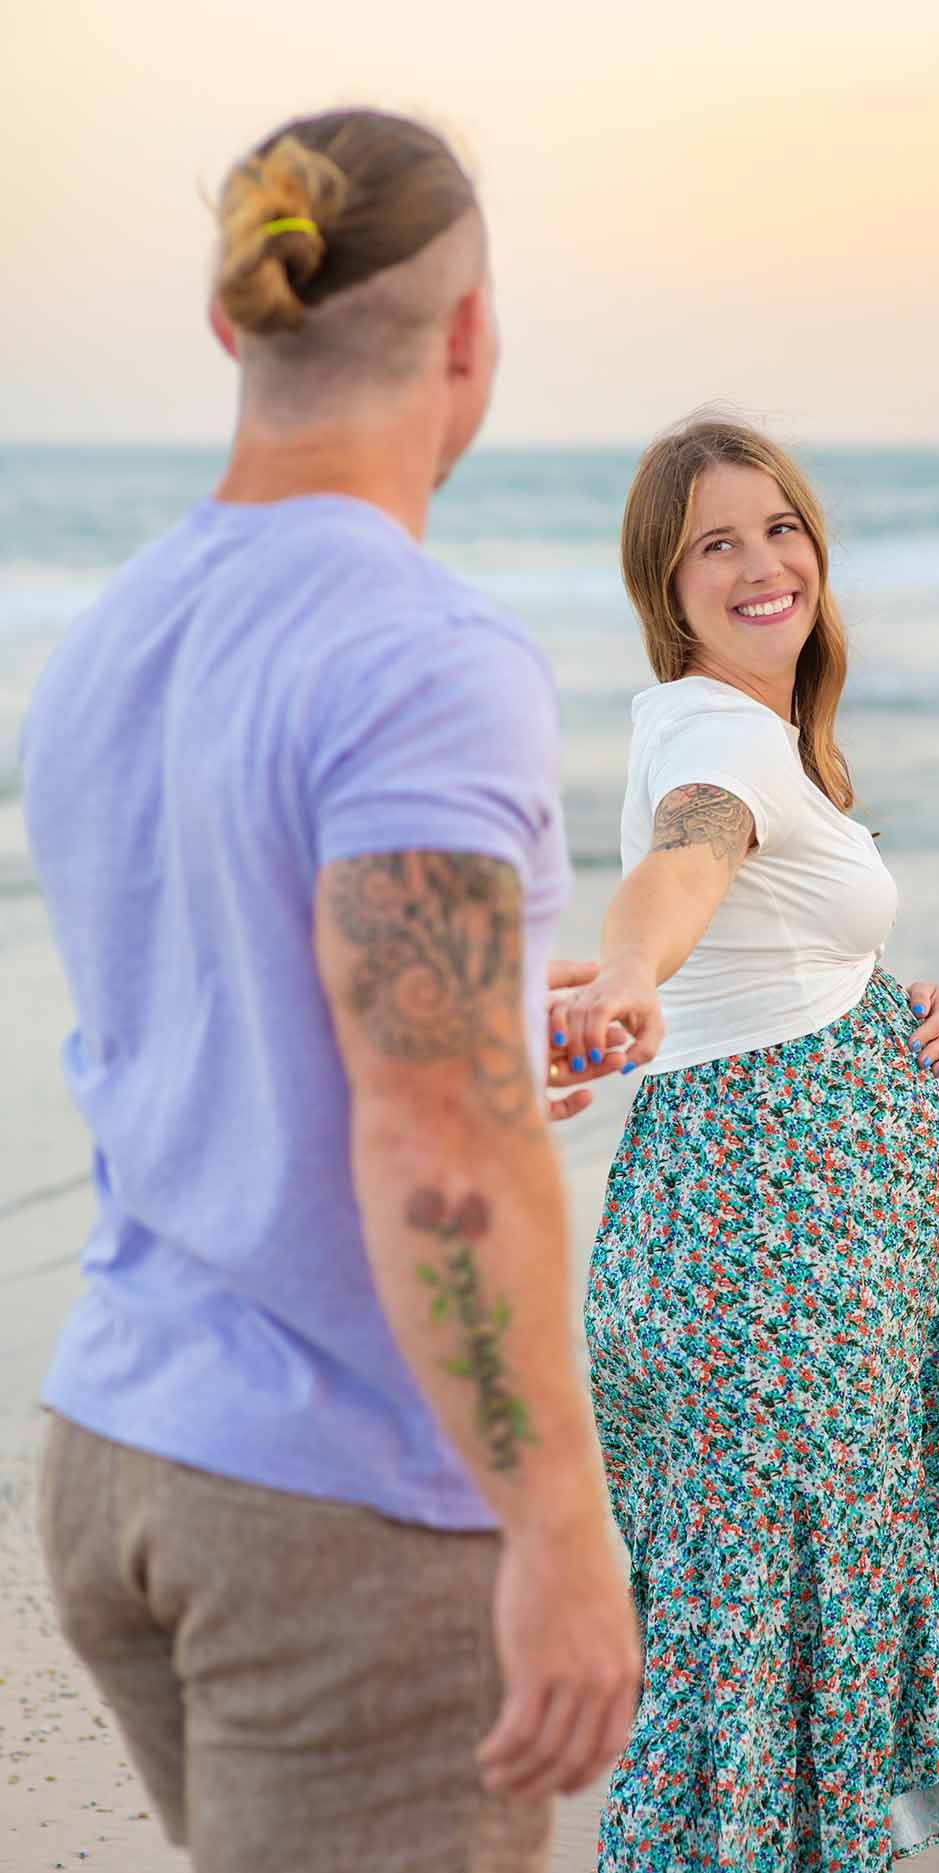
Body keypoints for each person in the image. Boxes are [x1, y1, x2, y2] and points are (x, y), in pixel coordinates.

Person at [21, 109, 639, 1870]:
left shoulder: (108, 640)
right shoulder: (420, 656)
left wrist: (508, 1021)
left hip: (118, 1445)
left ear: (238, 321)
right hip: (343, 1499)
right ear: (469, 338)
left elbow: (232, 1008)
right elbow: (435, 1132)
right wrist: (555, 1524)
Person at [543, 415, 939, 1869]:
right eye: (716, 541)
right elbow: (688, 859)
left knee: (768, 1648)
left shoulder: (768, 733)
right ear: (666, 581)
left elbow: (773, 939)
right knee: (749, 1657)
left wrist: (897, 999)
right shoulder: (712, 738)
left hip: (804, 1274)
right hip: (768, 1276)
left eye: (781, 528)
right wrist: (630, 971)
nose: (765, 564)